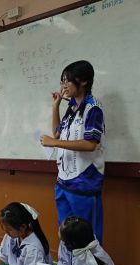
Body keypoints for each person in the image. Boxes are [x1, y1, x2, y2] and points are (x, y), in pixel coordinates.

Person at [40, 60, 105, 243]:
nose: (64, 85)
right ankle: (68, 263)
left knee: (86, 237)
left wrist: (54, 143)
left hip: (84, 183)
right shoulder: (71, 108)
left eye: (68, 80)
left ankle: (90, 264)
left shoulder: (93, 108)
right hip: (63, 181)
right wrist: (56, 106)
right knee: (65, 234)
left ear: (83, 81)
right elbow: (57, 133)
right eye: (62, 81)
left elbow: (90, 144)